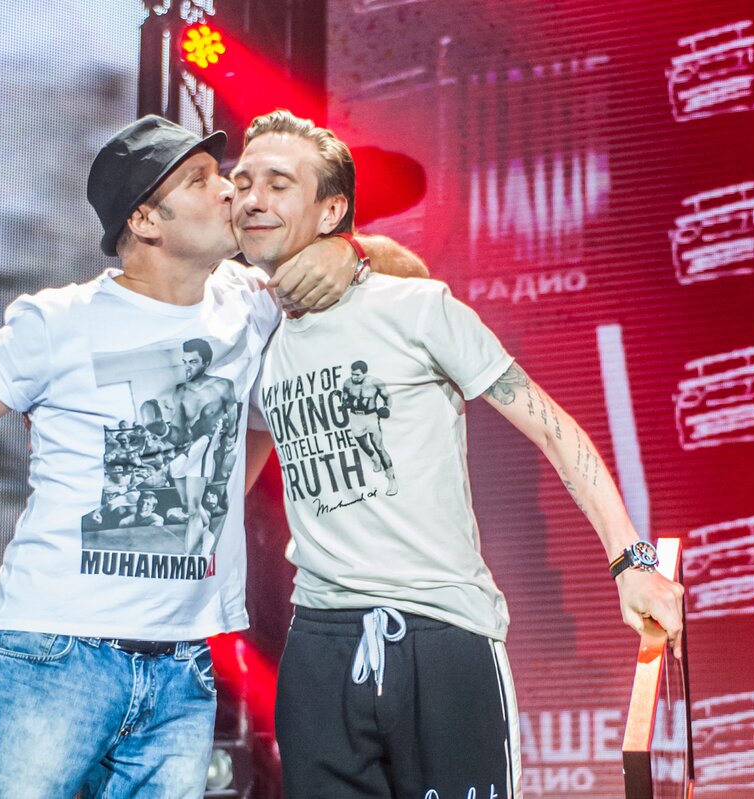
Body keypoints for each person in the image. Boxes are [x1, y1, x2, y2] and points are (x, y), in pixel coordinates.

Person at [0, 114, 423, 798]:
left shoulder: (250, 305)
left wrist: (345, 252)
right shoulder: (59, 322)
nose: (229, 191)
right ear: (146, 220)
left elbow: (411, 276)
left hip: (183, 671)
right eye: (201, 180)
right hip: (55, 658)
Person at [231, 110, 686, 799]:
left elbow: (552, 428)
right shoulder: (253, 336)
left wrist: (630, 560)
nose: (253, 198)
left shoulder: (416, 308)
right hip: (319, 648)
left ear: (331, 211)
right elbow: (227, 487)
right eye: (242, 182)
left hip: (440, 632)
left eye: (278, 183)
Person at [341, 359, 397, 495]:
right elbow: (345, 398)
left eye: (357, 374)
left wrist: (386, 408)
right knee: (363, 444)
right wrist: (346, 402)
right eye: (352, 374)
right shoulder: (347, 383)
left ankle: (391, 479)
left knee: (379, 446)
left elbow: (387, 397)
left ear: (365, 373)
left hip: (371, 416)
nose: (354, 377)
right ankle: (374, 458)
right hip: (355, 417)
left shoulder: (375, 382)